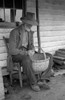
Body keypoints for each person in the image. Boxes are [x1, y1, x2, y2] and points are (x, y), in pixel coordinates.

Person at [9, 12, 53, 92]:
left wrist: (32, 49)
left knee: (49, 56)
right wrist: (26, 53)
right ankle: (34, 83)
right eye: (29, 24)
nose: (30, 25)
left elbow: (31, 44)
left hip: (28, 53)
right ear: (24, 22)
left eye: (31, 24)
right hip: (17, 54)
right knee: (26, 59)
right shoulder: (14, 32)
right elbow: (12, 50)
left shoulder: (30, 32)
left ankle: (43, 79)